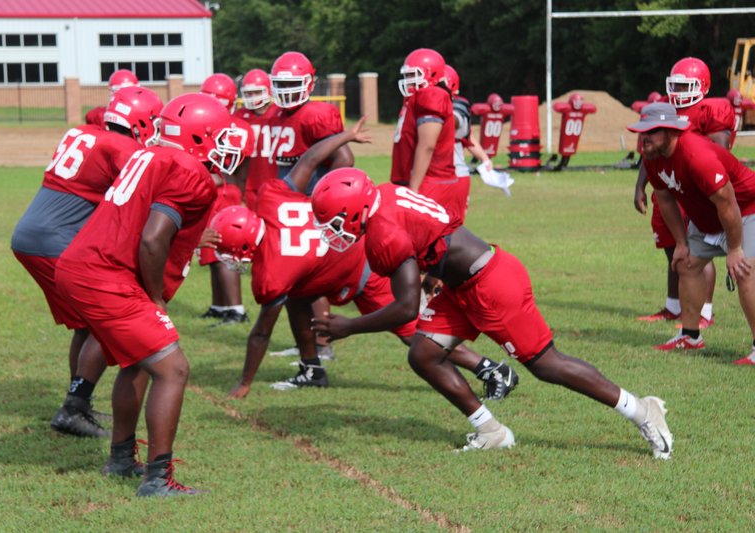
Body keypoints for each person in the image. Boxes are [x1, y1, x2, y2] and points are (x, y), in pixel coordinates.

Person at [310, 169, 673, 459]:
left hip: (491, 284)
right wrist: (433, 279)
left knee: (547, 365)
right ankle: (491, 431)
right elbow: (437, 239)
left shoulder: (382, 234)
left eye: (334, 222)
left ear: (354, 209)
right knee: (424, 354)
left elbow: (404, 308)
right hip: (460, 285)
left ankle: (642, 410)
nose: (332, 232)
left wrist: (349, 326)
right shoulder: (384, 194)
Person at [205, 118, 517, 399]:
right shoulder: (273, 197)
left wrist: (245, 381)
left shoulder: (272, 274)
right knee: (298, 297)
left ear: (244, 248)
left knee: (415, 334)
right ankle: (311, 369)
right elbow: (311, 158)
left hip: (365, 269)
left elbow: (261, 333)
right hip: (348, 254)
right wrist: (346, 135)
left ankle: (491, 369)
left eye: (229, 253)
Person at [54, 93, 244, 496]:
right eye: (219, 135)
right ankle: (159, 479)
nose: (226, 144)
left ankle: (121, 459)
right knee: (172, 368)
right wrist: (154, 297)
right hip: (107, 274)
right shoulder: (190, 171)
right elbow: (154, 238)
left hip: (84, 265)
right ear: (198, 136)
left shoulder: (152, 155)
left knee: (138, 363)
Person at [11, 86, 163, 438]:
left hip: (32, 233)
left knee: (87, 324)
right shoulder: (125, 147)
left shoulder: (84, 132)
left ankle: (78, 400)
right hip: (56, 240)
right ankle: (74, 405)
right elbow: (136, 202)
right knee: (108, 319)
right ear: (141, 121)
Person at [629, 102, 755, 365]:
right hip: (709, 215)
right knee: (686, 264)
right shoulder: (653, 158)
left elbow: (728, 202)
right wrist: (680, 243)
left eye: (651, 132)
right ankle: (690, 336)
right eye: (643, 132)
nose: (645, 139)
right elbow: (664, 199)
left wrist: (734, 249)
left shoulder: (697, 155)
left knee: (745, 271)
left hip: (745, 209)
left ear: (671, 131)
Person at [267, 51, 355, 358]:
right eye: (280, 83)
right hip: (290, 206)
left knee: (311, 278)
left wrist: (326, 201)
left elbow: (344, 159)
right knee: (298, 282)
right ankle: (307, 343)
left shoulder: (318, 114)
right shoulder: (278, 115)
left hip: (311, 206)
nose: (286, 90)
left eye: (292, 83)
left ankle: (322, 344)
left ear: (309, 83)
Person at [633, 57, 732, 328]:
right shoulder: (664, 107)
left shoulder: (711, 111)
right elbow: (649, 149)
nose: (678, 91)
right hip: (666, 187)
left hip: (695, 190)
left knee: (697, 251)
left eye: (684, 85)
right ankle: (673, 306)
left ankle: (704, 312)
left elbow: (719, 153)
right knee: (672, 246)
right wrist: (640, 185)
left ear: (703, 86)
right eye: (674, 84)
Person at [197, 76, 257, 324]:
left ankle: (236, 309)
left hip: (223, 190)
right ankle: (220, 305)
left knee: (224, 250)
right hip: (218, 190)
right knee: (211, 251)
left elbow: (232, 171)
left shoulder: (235, 128)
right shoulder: (226, 124)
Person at [393, 49, 465, 226]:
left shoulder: (432, 95)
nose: (408, 81)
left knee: (428, 245)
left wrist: (414, 189)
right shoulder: (414, 99)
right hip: (418, 181)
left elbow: (427, 145)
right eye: (407, 75)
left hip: (430, 183)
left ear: (431, 74)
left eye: (413, 75)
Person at [235, 68, 279, 211]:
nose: (253, 97)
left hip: (276, 184)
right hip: (249, 186)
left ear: (268, 91)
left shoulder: (280, 113)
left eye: (257, 92)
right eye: (248, 93)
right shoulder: (239, 117)